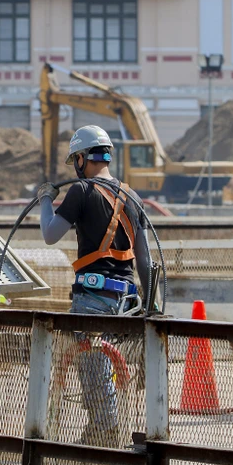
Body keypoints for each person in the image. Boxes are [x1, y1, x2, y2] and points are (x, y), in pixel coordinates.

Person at [35, 125, 153, 448]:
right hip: (127, 301)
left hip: (93, 297)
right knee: (107, 367)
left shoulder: (81, 191)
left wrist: (45, 200)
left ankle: (105, 430)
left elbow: (50, 234)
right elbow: (145, 261)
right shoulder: (132, 196)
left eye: (76, 159)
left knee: (93, 369)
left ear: (82, 159)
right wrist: (151, 306)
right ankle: (103, 428)